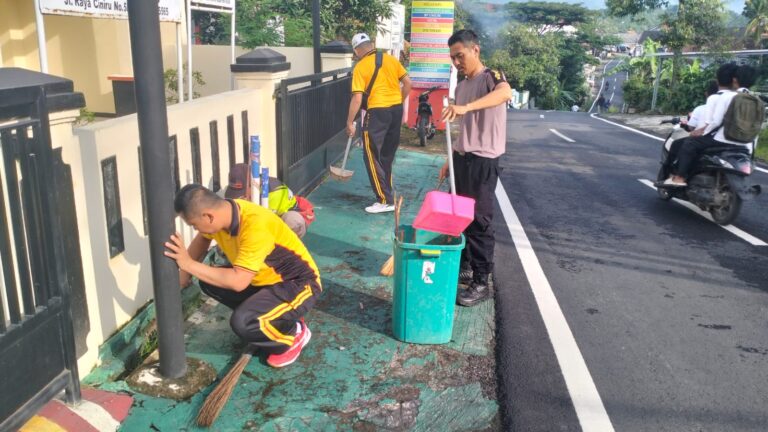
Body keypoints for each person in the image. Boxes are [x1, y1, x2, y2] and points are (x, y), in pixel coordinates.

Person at [165, 184, 321, 368]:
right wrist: (184, 275)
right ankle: (278, 317)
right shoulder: (225, 214)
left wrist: (189, 264)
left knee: (244, 322)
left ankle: (293, 334)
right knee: (209, 282)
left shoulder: (255, 225)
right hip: (265, 281)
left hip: (299, 285)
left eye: (193, 224)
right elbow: (202, 240)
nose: (196, 229)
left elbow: (238, 282)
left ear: (208, 216)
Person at [440, 29, 512, 307]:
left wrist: (466, 107)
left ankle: (482, 282)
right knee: (458, 217)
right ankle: (466, 266)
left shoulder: (491, 77)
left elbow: (505, 94)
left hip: (483, 161)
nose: (457, 62)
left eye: (460, 55)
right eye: (453, 58)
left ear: (475, 51)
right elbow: (464, 129)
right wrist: (451, 158)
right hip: (462, 158)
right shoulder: (460, 85)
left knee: (479, 221)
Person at [346, 32, 412, 214]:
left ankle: (384, 200)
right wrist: (399, 100)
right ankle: (388, 194)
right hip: (395, 111)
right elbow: (408, 83)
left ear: (357, 50)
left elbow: (357, 99)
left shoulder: (360, 67)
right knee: (386, 156)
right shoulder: (391, 60)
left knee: (372, 155)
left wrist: (349, 122)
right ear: (371, 44)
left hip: (377, 113)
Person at [665, 64, 754, 186]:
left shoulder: (723, 97)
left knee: (689, 143)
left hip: (723, 140)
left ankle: (680, 177)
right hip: (746, 144)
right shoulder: (753, 98)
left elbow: (715, 122)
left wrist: (700, 132)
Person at [223, 163, 314, 238]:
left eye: (242, 194)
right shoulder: (248, 189)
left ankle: (285, 252)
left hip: (290, 215)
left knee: (292, 221)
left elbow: (268, 223)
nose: (241, 198)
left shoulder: (273, 192)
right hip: (269, 217)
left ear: (253, 184)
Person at [661, 79, 721, 176]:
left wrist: (697, 129)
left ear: (707, 94)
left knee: (680, 144)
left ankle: (678, 176)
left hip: (709, 140)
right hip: (730, 142)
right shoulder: (732, 101)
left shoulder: (703, 107)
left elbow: (693, 128)